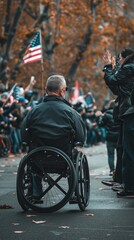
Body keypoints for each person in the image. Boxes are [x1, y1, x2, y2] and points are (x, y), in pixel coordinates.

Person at [20, 75, 86, 199]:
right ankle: (73, 192)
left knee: (32, 160)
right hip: (64, 157)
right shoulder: (71, 112)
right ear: (62, 91)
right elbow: (80, 137)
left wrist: (27, 142)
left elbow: (23, 133)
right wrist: (78, 143)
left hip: (38, 157)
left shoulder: (33, 111)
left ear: (46, 89)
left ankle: (35, 193)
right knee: (75, 155)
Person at [103, 47, 134, 197]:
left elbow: (112, 81)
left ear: (126, 57)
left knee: (127, 151)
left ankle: (128, 187)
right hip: (127, 112)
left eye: (120, 59)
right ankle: (122, 181)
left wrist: (109, 67)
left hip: (130, 113)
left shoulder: (129, 67)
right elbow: (117, 88)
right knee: (122, 148)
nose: (119, 61)